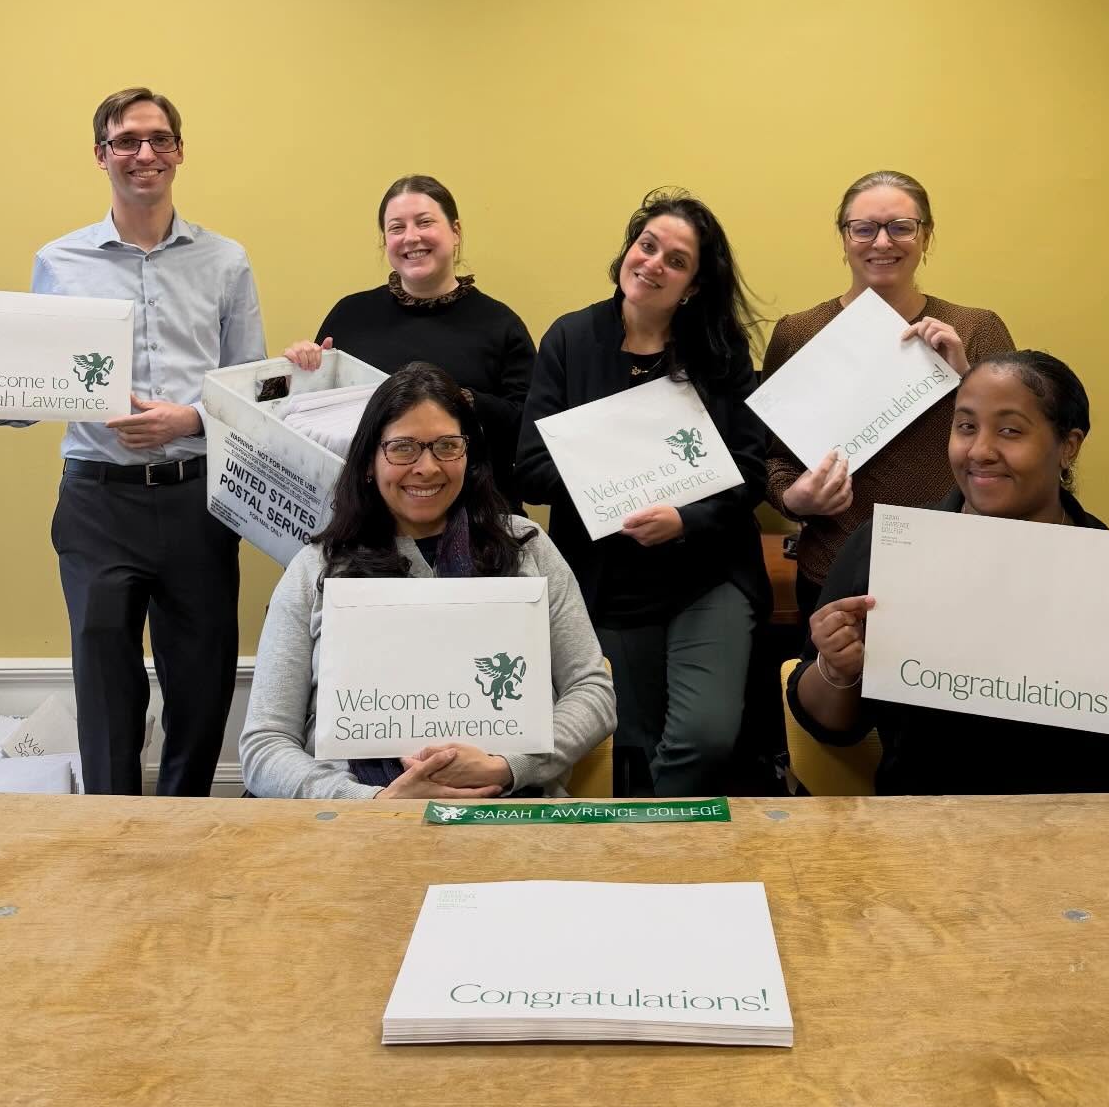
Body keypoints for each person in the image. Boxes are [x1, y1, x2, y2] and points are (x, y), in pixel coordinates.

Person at [0, 88, 266, 796]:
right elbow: (39, 382)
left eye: (160, 139)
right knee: (107, 686)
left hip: (196, 502)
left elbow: (248, 393)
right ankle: (111, 835)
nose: (145, 154)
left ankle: (184, 831)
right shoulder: (58, 260)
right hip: (96, 503)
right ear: (101, 155)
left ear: (179, 150)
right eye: (126, 141)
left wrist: (188, 421)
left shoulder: (227, 262)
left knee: (203, 685)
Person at [787, 351, 1109, 795]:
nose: (980, 450)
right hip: (928, 845)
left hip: (1098, 850)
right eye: (965, 427)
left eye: (1009, 430)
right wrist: (836, 669)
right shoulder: (886, 552)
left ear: (1068, 446)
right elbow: (828, 725)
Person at [240, 362, 615, 800]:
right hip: (356, 824)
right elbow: (264, 746)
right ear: (368, 462)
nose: (427, 467)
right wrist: (373, 802)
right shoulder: (316, 568)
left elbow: (592, 691)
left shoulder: (525, 547)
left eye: (446, 446)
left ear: (469, 455)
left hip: (509, 811)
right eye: (402, 448)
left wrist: (507, 766)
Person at [516, 190, 770, 796]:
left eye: (676, 260)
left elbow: (750, 471)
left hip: (707, 571)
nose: (653, 263)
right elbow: (529, 468)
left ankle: (656, 839)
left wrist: (685, 518)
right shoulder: (571, 340)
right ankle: (646, 850)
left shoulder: (722, 351)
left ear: (694, 286)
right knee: (629, 741)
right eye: (646, 245)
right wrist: (615, 486)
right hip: (604, 578)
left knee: (704, 737)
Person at [762, 169, 1013, 616]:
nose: (882, 243)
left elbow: (1014, 444)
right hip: (834, 568)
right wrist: (794, 499)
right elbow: (771, 457)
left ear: (926, 236)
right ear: (844, 237)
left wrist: (966, 379)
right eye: (864, 228)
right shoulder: (799, 334)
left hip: (953, 567)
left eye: (901, 227)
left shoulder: (976, 329)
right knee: (833, 683)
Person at [284, 174, 535, 503]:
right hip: (368, 518)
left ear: (455, 231)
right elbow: (311, 419)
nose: (411, 237)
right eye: (396, 228)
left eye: (425, 222)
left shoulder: (501, 325)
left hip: (476, 515)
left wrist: (459, 402)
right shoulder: (350, 315)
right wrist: (305, 368)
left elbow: (529, 428)